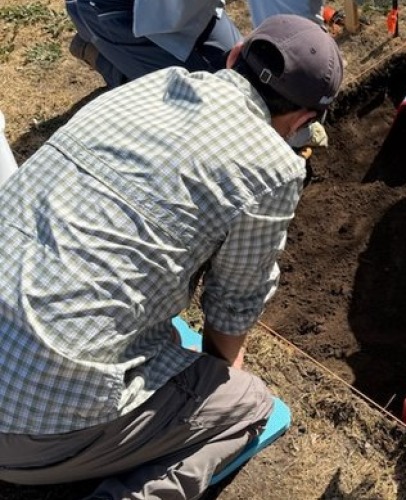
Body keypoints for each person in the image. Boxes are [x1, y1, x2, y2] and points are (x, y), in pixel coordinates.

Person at [0, 14, 343, 499]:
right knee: (244, 404)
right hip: (27, 432)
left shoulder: (152, 86)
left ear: (232, 57)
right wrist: (210, 385)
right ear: (304, 121)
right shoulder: (275, 166)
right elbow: (232, 307)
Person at [66, 0, 242, 88]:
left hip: (185, 10)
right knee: (205, 109)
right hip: (121, 10)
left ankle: (117, 54)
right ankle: (100, 47)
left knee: (246, 80)